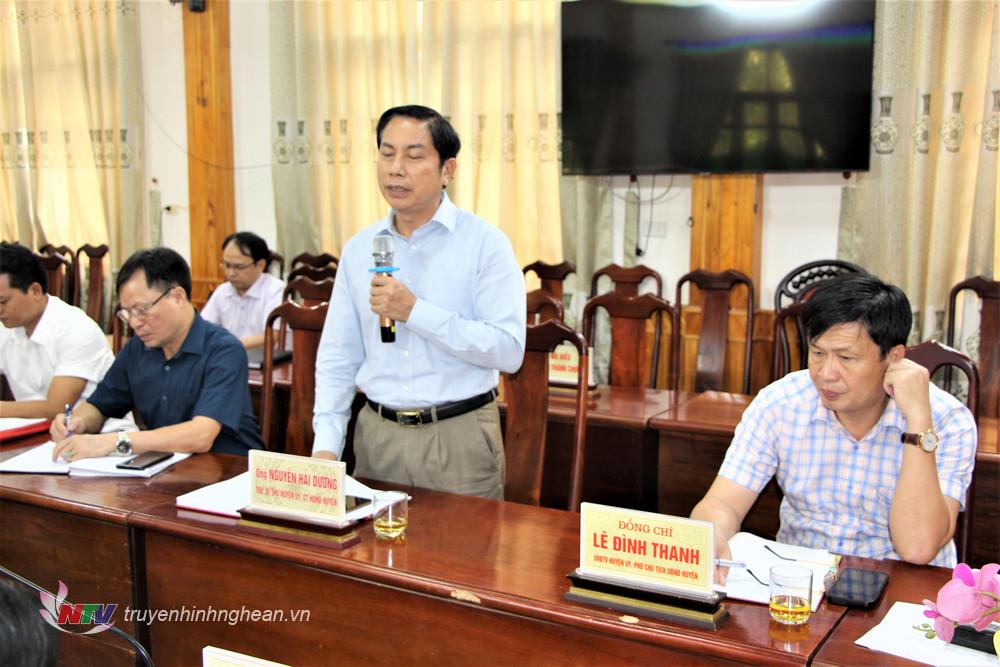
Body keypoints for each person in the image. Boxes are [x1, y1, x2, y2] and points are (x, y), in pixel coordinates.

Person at [691, 274, 976, 573]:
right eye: (817, 353)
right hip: (799, 585)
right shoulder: (780, 403)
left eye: (846, 358)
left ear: (894, 358)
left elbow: (918, 547)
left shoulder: (947, 420)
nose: (827, 373)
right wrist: (712, 534)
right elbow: (722, 504)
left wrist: (918, 422)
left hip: (901, 587)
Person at [312, 105, 526, 499]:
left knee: (463, 559)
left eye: (413, 156)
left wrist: (414, 311)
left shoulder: (484, 244)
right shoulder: (360, 249)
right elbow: (338, 358)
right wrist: (325, 445)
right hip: (377, 436)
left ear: (448, 170)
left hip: (458, 438)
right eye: (386, 153)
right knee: (372, 558)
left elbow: (509, 350)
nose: (396, 168)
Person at [49, 247, 264, 460]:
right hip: (165, 469)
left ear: (178, 297)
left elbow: (202, 435)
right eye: (127, 313)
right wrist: (78, 422)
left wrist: (116, 442)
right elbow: (99, 406)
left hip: (228, 471)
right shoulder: (137, 349)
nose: (134, 323)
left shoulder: (224, 350)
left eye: (141, 310)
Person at [0, 242, 114, 420]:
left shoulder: (76, 329)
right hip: (34, 437)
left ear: (35, 291)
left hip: (98, 438)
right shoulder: (7, 328)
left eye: (3, 301)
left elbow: (57, 409)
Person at [199, 231, 284, 350]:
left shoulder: (276, 290)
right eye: (227, 265)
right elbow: (202, 329)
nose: (231, 273)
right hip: (228, 358)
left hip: (269, 363)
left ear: (260, 265)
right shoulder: (222, 291)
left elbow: (274, 335)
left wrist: (229, 347)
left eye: (239, 267)